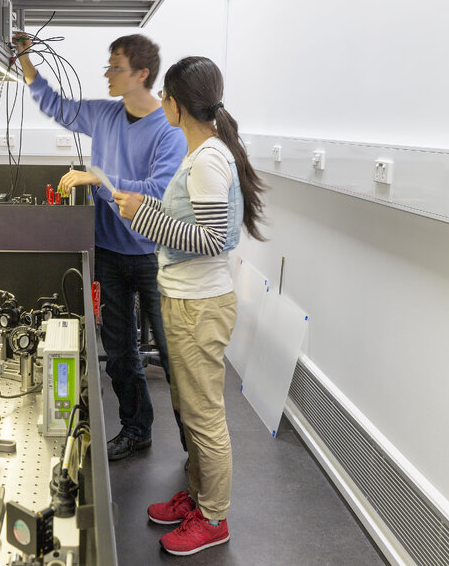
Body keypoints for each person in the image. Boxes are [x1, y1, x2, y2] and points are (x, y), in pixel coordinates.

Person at [113, 56, 266, 556]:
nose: (160, 103)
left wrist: (144, 219)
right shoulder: (199, 153)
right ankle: (199, 498)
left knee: (204, 417)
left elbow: (210, 240)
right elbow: (194, 228)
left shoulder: (208, 161)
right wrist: (146, 209)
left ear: (176, 104)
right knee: (187, 405)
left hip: (200, 306)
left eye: (164, 96)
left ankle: (215, 518)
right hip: (186, 300)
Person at [13, 32, 187, 461]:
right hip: (108, 253)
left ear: (142, 74)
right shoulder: (104, 116)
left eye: (116, 67)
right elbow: (56, 105)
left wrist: (100, 179)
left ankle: (196, 449)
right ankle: (135, 429)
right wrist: (25, 61)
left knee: (172, 357)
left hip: (153, 257)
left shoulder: (169, 131)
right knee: (121, 355)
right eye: (108, 66)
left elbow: (157, 191)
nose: (108, 74)